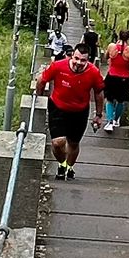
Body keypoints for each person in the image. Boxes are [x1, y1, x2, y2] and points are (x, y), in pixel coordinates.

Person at [35, 41, 105, 180]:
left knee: (73, 143)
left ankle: (69, 167)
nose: (79, 63)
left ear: (88, 60)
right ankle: (61, 163)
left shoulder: (93, 72)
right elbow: (41, 80)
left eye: (83, 60)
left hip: (80, 111)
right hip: (58, 108)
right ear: (72, 56)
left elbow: (99, 93)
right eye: (76, 58)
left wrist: (98, 115)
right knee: (57, 142)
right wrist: (39, 97)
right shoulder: (58, 66)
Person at [101, 27, 129, 131]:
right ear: (128, 37)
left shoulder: (112, 46)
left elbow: (106, 57)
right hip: (124, 79)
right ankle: (115, 120)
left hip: (112, 76)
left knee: (109, 99)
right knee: (120, 101)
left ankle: (109, 121)